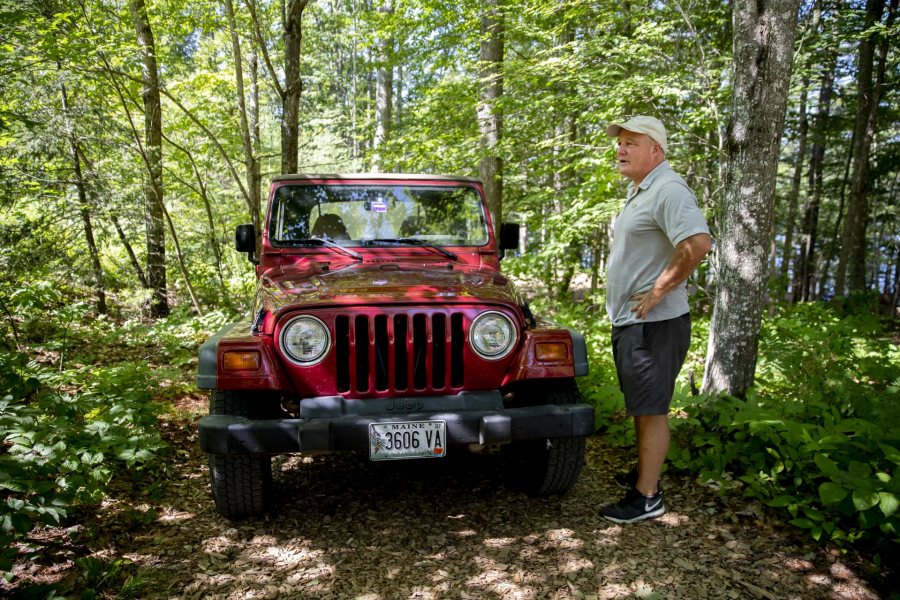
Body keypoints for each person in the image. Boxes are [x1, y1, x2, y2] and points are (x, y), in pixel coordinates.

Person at [601, 116, 711, 524]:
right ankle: (644, 477)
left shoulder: (667, 189)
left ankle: (647, 497)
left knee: (652, 410)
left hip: (655, 324)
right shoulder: (642, 190)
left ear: (657, 151)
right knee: (643, 407)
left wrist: (657, 292)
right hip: (636, 323)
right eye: (621, 143)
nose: (621, 149)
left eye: (632, 142)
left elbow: (698, 243)